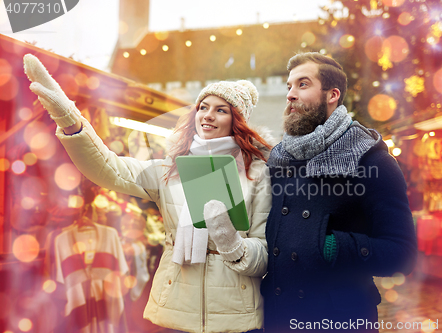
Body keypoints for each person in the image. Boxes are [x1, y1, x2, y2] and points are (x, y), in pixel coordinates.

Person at [23, 53, 273, 333]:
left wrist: (233, 245)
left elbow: (266, 254)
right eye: (203, 107)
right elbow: (109, 168)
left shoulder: (258, 174)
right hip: (173, 311)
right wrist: (68, 117)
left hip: (235, 316)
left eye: (221, 110)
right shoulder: (170, 169)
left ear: (236, 120)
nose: (208, 115)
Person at [261, 52, 418, 332]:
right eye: (289, 86)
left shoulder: (372, 160)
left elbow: (402, 254)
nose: (290, 95)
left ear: (332, 95)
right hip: (278, 316)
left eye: (303, 84)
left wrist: (331, 247)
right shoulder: (279, 158)